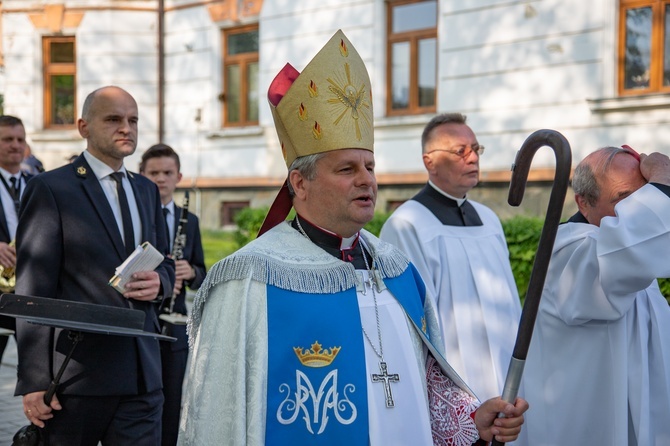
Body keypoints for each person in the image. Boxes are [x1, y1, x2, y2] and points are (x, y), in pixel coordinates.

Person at [178, 30, 527, 445]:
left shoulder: (397, 271)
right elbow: (218, 415)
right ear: (300, 182)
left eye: (370, 167)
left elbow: (425, 385)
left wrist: (471, 420)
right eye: (347, 170)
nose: (367, 181)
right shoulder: (249, 280)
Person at [14, 86, 175, 444]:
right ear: (83, 126)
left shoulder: (147, 190)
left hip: (142, 374)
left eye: (133, 120)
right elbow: (33, 288)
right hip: (76, 377)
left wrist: (160, 283)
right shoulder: (51, 188)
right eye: (114, 119)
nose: (126, 128)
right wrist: (35, 381)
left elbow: (165, 260)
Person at [517, 146, 670, 445]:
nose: (637, 211)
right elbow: (637, 241)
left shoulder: (625, 247)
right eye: (625, 200)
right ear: (583, 203)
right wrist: (663, 176)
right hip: (589, 423)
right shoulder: (569, 253)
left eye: (645, 195)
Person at [379, 113, 522, 402]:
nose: (473, 158)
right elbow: (414, 321)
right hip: (456, 382)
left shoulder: (489, 220)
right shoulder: (407, 224)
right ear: (429, 161)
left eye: (476, 149)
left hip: (507, 371)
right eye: (460, 151)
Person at [140, 143, 206, 446]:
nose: (160, 179)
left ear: (178, 176)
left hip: (177, 321)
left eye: (167, 173)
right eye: (153, 173)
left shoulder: (188, 221)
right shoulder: (136, 216)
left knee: (173, 396)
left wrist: (189, 272)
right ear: (141, 175)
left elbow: (202, 273)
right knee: (141, 398)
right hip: (143, 320)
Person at [0, 115, 31, 365]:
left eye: (20, 139)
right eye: (7, 139)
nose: (15, 145)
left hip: (29, 289)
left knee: (36, 369)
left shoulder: (37, 183)